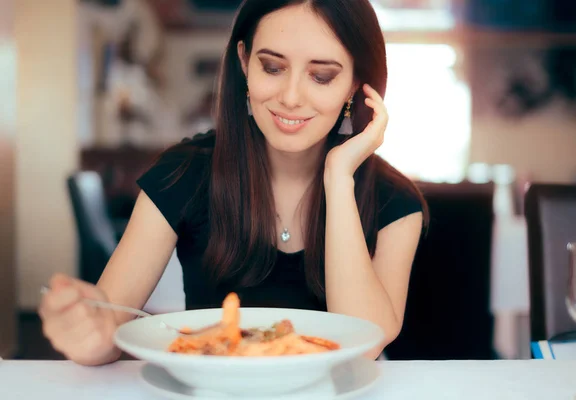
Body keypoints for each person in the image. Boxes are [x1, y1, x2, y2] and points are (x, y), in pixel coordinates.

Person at [39, 0, 428, 366]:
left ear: (355, 84)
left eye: (321, 76)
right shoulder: (184, 172)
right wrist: (88, 333)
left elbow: (366, 344)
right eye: (272, 68)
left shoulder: (396, 202)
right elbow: (108, 326)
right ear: (244, 62)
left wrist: (339, 177)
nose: (290, 97)